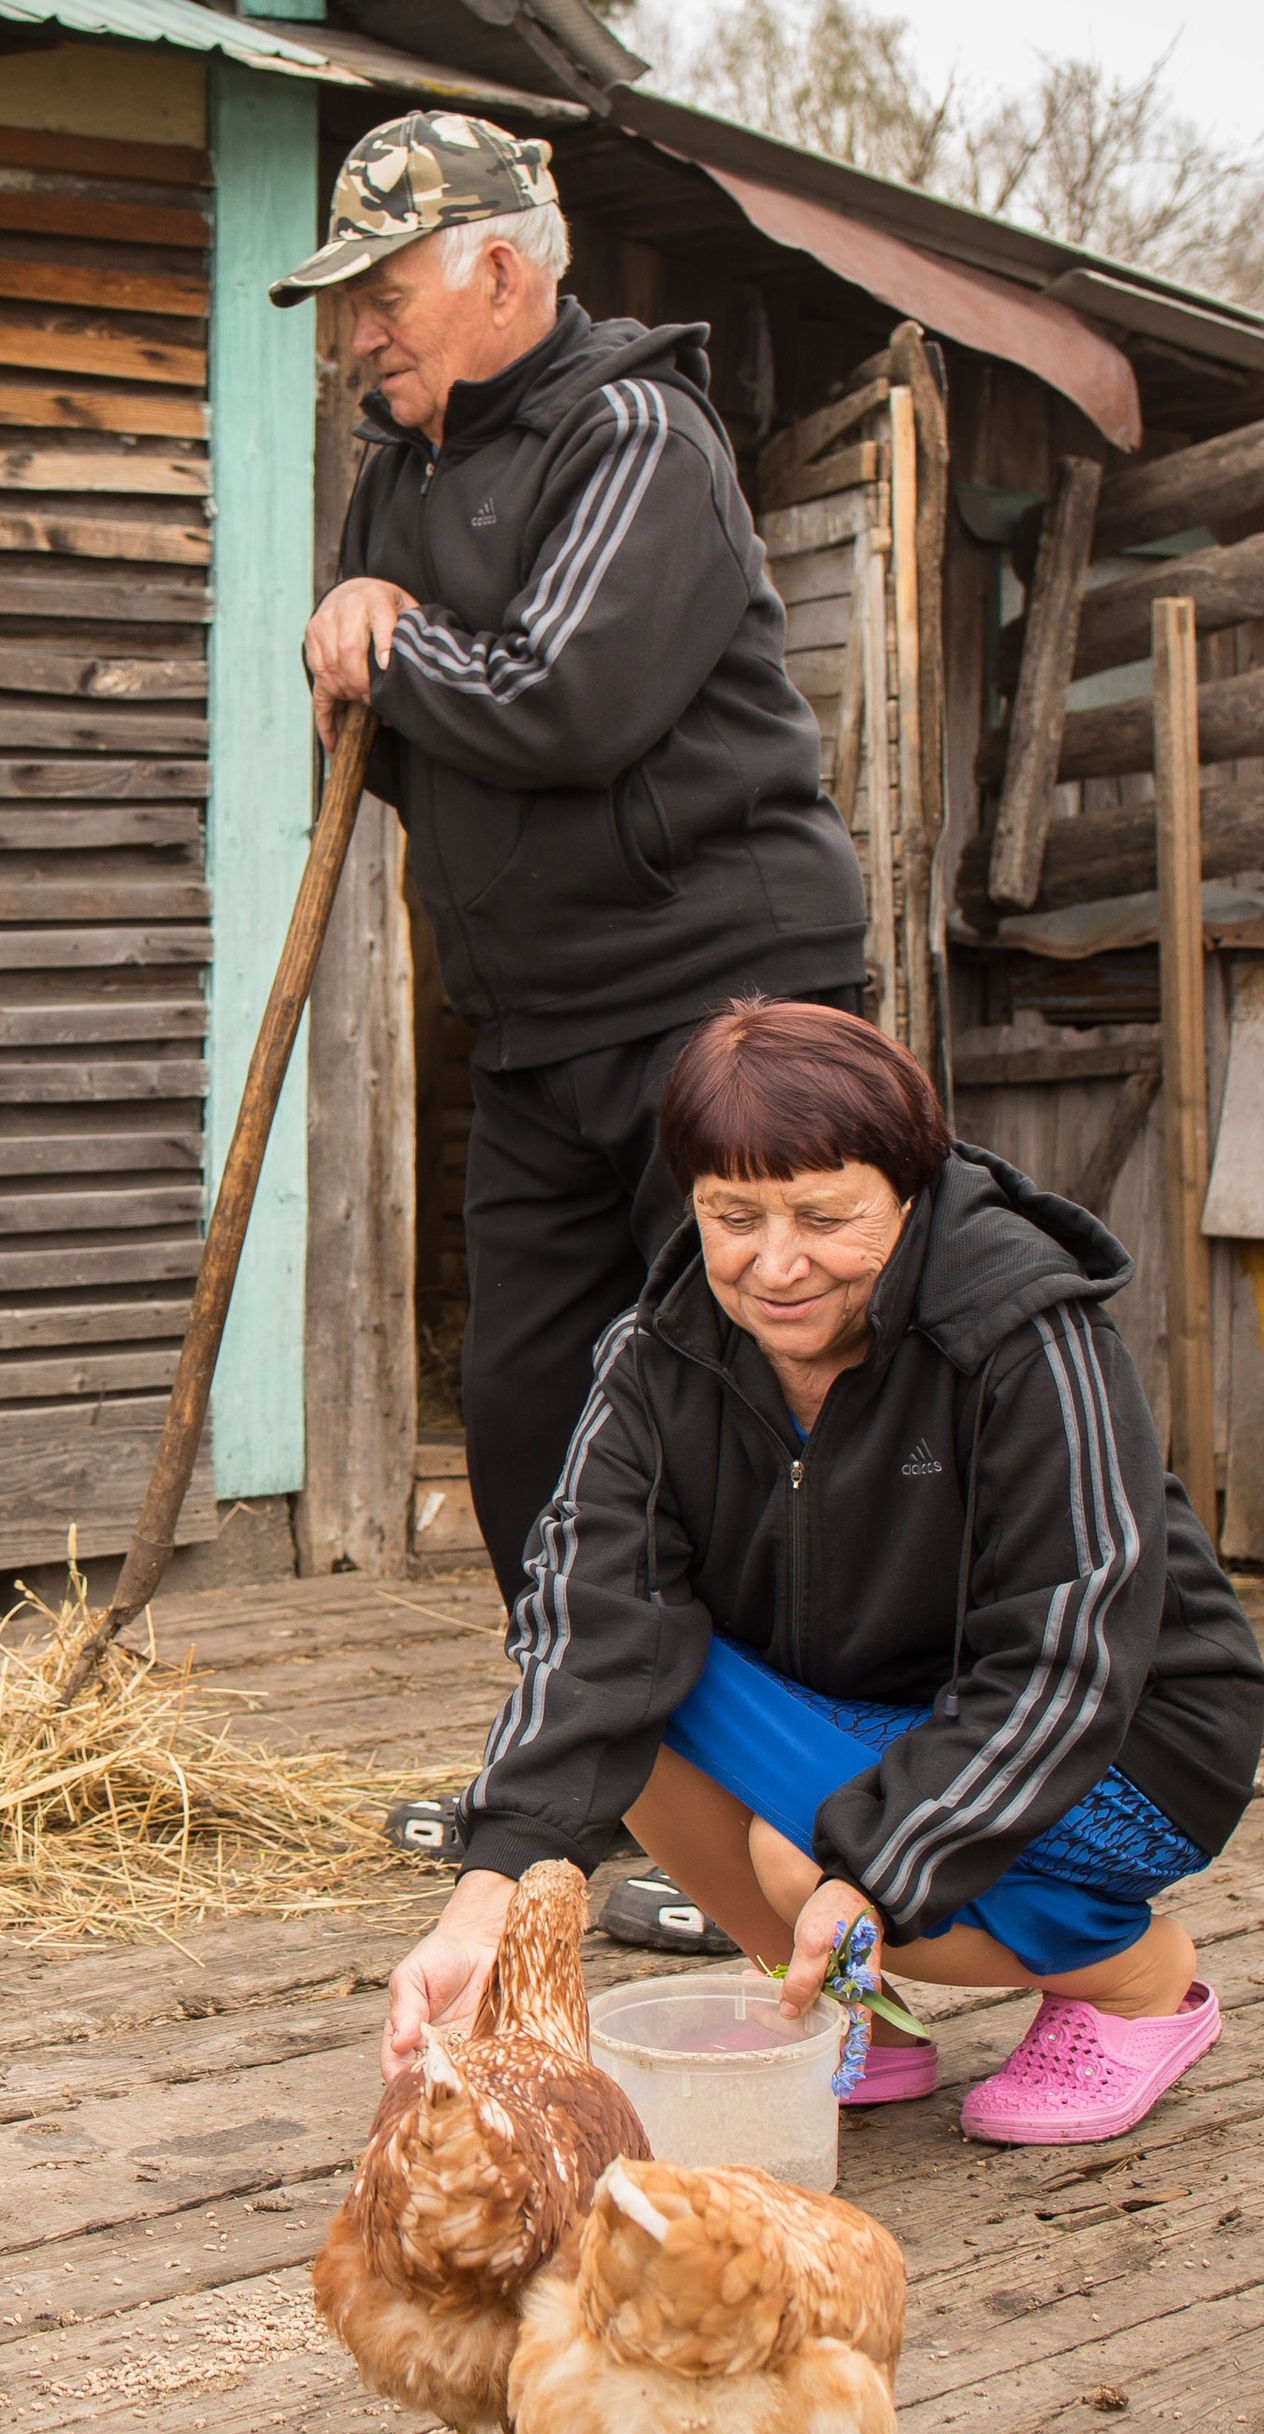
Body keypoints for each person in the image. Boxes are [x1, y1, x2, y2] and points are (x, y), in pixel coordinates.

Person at [381, 1001, 1264, 2145]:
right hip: (879, 1709)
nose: (775, 1263)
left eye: (825, 1215)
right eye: (732, 1215)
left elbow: (1073, 1648)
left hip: (1130, 1733)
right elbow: (588, 1624)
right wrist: (487, 1892)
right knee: (635, 1701)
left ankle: (1138, 1977)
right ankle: (863, 2011)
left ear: (909, 1187)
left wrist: (875, 1871)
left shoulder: (1021, 1332)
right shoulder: (659, 1357)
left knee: (802, 1857)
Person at [274, 112, 869, 1602]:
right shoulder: (399, 472)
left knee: (753, 1399)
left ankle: (774, 1805)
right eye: (348, 305)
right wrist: (355, 664)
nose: (358, 336)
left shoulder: (636, 434)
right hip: (539, 1023)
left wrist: (391, 637)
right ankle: (563, 1786)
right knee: (528, 1413)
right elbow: (406, 745)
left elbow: (562, 704)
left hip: (720, 1004)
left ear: (495, 270)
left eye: (382, 296)